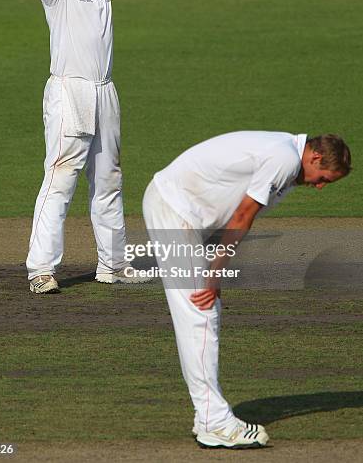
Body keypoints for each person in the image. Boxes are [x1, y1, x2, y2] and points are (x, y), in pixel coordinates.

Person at [142, 131, 351, 448]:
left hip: (184, 211)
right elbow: (243, 214)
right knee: (200, 311)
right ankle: (215, 423)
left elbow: (227, 208)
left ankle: (207, 417)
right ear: (316, 157)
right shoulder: (283, 159)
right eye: (324, 178)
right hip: (176, 209)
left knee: (206, 309)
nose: (320, 186)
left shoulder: (289, 159)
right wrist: (216, 271)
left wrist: (213, 264)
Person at [26, 0, 146, 294]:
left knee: (109, 179)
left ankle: (113, 265)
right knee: (61, 177)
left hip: (104, 92)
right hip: (70, 92)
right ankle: (41, 269)